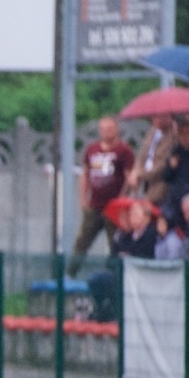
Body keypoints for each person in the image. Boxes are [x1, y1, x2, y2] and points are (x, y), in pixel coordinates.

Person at [69, 117, 135, 278]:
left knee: (115, 242)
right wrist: (83, 200)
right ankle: (70, 273)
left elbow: (129, 178)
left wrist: (121, 201)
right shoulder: (92, 150)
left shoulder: (124, 151)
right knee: (82, 241)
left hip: (114, 207)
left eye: (109, 128)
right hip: (95, 205)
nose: (106, 132)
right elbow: (85, 175)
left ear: (117, 129)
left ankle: (114, 276)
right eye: (103, 129)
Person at [89, 200, 158, 321]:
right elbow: (111, 260)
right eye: (130, 214)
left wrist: (129, 257)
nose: (131, 217)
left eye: (135, 214)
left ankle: (118, 315)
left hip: (140, 277)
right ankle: (103, 310)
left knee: (113, 283)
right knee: (96, 280)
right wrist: (119, 238)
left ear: (146, 217)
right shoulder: (125, 235)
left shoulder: (151, 234)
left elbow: (147, 256)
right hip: (121, 273)